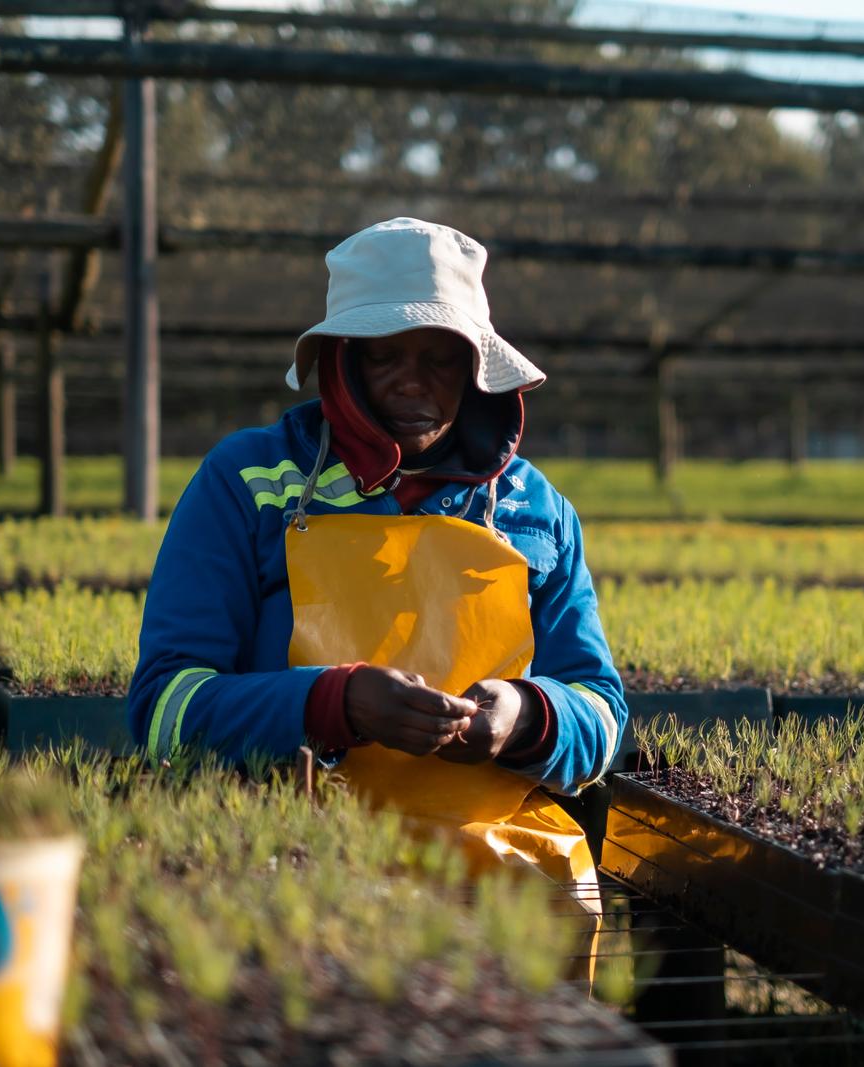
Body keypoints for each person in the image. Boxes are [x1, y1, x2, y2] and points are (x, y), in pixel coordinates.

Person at [127, 217, 627, 885]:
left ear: (476, 367)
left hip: (497, 880)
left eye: (439, 357)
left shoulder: (536, 510)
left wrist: (526, 716)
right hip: (288, 869)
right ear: (340, 362)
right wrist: (333, 703)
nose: (411, 383)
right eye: (383, 355)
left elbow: (600, 711)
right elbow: (164, 710)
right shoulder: (249, 481)